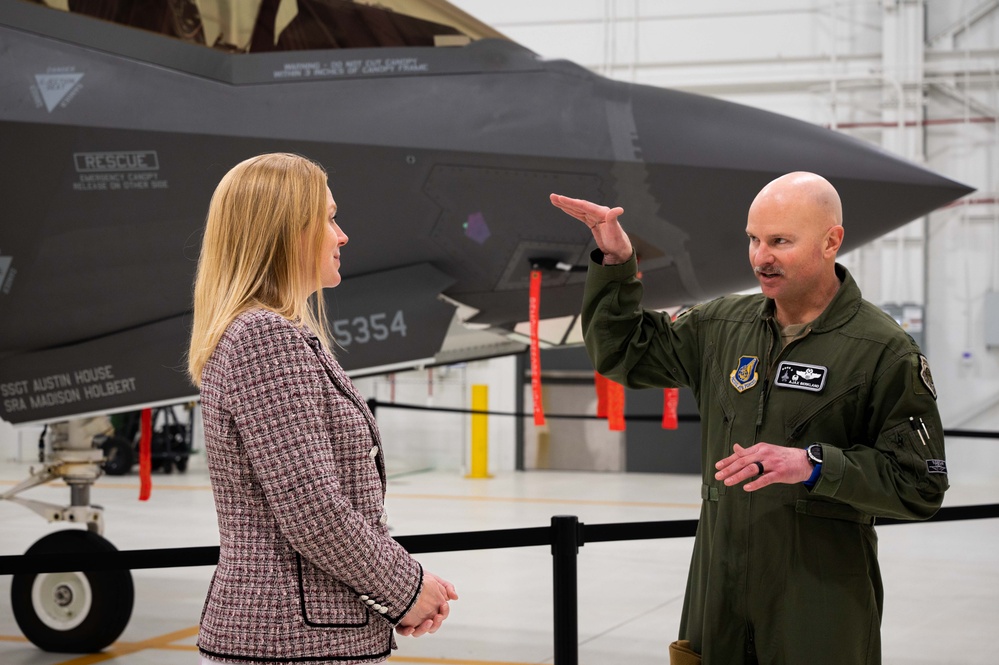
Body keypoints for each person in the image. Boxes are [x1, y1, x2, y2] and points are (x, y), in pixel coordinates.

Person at [550, 172, 949, 665]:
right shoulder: (720, 327)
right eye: (754, 240)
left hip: (818, 609)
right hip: (720, 602)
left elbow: (920, 483)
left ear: (831, 241)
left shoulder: (883, 351)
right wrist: (616, 262)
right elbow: (623, 352)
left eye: (780, 240)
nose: (761, 256)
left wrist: (814, 465)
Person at [188, 152, 457, 664]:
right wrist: (407, 587)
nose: (342, 235)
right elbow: (312, 510)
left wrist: (398, 592)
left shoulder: (274, 334)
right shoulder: (265, 338)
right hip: (294, 641)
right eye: (328, 218)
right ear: (286, 232)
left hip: (303, 635)